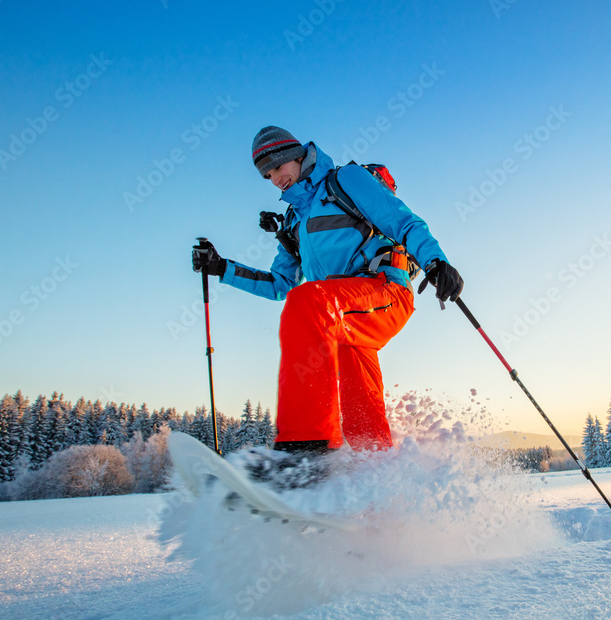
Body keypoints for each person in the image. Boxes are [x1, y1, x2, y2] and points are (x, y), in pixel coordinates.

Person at [192, 126, 462, 467]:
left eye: (276, 167)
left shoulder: (345, 180)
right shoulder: (293, 222)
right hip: (341, 322)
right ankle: (378, 496)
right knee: (364, 426)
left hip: (383, 292)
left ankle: (306, 454)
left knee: (308, 302)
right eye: (267, 175)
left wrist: (435, 261)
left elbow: (402, 222)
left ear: (292, 154)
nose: (274, 179)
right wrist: (222, 268)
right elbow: (280, 285)